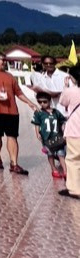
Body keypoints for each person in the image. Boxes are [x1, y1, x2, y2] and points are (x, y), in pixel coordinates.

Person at [31, 92, 66, 181]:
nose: (42, 104)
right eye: (40, 102)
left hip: (57, 136)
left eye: (45, 102)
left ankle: (65, 171)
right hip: (46, 137)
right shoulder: (39, 113)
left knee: (61, 154)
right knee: (50, 154)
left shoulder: (56, 112)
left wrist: (64, 130)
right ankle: (53, 169)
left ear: (49, 101)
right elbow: (37, 123)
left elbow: (62, 121)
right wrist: (37, 133)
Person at [58, 66, 80, 199]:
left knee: (73, 160)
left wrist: (65, 87)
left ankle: (74, 189)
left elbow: (62, 102)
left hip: (75, 130)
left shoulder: (71, 91)